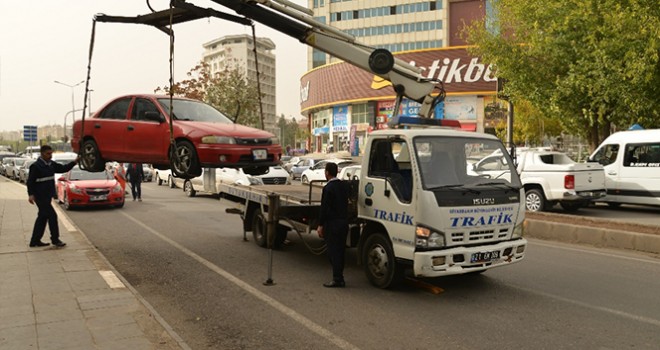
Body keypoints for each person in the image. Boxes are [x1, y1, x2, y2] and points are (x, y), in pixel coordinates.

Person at [26, 145, 79, 248]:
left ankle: (35, 241)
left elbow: (63, 168)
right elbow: (30, 182)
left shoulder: (51, 164)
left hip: (47, 196)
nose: (50, 156)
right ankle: (55, 240)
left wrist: (75, 162)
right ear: (42, 154)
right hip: (40, 197)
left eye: (51, 154)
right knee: (52, 216)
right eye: (48, 154)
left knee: (42, 217)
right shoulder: (36, 166)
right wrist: (31, 195)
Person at [317, 162, 349, 288]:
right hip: (343, 222)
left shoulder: (328, 188)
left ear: (327, 173)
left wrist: (320, 225)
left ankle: (337, 278)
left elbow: (324, 208)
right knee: (340, 251)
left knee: (333, 251)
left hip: (333, 223)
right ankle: (340, 276)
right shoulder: (344, 186)